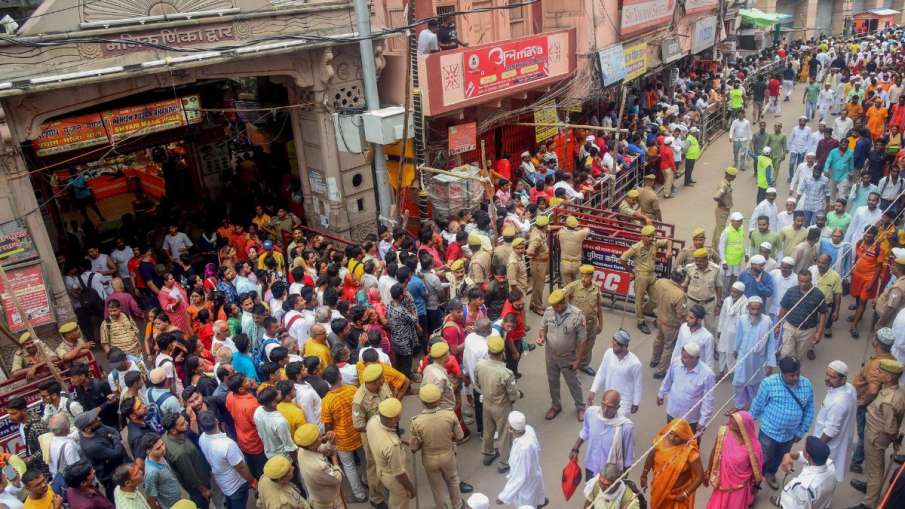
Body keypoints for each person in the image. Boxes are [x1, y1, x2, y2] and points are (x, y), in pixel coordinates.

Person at [749, 357, 815, 490]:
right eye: (792, 375)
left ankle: (770, 474)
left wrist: (801, 431)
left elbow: (810, 409)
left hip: (790, 435)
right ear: (782, 373)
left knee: (779, 457)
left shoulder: (806, 384)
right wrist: (747, 422)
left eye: (798, 373)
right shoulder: (769, 383)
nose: (796, 377)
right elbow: (757, 405)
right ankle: (754, 482)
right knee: (762, 458)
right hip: (769, 432)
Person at [849, 359, 905, 509]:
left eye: (880, 372)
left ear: (889, 377)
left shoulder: (888, 401)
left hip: (876, 437)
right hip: (874, 432)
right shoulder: (894, 390)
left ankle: (868, 503)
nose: (876, 373)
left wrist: (895, 441)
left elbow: (891, 428)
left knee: (876, 470)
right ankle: (871, 487)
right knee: (874, 468)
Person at [409, 384, 467, 509]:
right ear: (439, 399)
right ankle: (458, 505)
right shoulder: (449, 415)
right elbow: (460, 436)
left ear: (422, 401)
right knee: (453, 481)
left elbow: (414, 447)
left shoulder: (416, 421)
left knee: (437, 488)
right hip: (447, 454)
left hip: (429, 458)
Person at [850, 328, 897, 474]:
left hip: (867, 406)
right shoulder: (891, 360)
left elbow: (873, 389)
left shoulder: (875, 365)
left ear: (876, 341)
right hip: (877, 406)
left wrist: (863, 401)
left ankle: (857, 461)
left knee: (863, 434)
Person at [537, 289, 586, 421]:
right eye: (553, 306)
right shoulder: (549, 312)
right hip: (551, 355)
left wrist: (578, 361)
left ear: (564, 301)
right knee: (552, 381)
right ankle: (556, 405)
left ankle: (581, 407)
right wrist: (541, 338)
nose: (554, 308)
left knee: (573, 382)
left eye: (557, 305)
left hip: (568, 357)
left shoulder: (577, 315)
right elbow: (542, 329)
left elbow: (582, 340)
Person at [319, 367, 366, 503]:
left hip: (341, 439)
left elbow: (328, 425)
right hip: (358, 432)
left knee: (349, 466)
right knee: (364, 459)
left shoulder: (327, 401)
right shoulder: (352, 390)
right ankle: (367, 480)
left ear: (327, 381)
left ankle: (359, 495)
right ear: (340, 376)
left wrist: (329, 437)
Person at [474, 336, 517, 472]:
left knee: (488, 430)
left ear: (489, 351)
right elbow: (512, 394)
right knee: (504, 434)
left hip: (486, 402)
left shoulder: (479, 365)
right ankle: (504, 463)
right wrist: (515, 398)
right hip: (502, 406)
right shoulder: (506, 373)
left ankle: (488, 454)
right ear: (502, 352)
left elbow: (477, 382)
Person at [570, 390, 634, 481]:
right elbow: (585, 431)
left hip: (610, 475)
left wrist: (622, 482)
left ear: (618, 407)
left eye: (610, 407)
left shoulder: (626, 427)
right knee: (591, 493)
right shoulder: (591, 413)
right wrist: (575, 448)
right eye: (603, 404)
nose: (605, 409)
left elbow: (628, 458)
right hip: (591, 466)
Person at [704, 411, 763, 509]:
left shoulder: (754, 447)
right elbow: (715, 451)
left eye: (733, 423)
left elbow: (757, 470)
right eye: (730, 420)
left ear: (742, 427)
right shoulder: (723, 432)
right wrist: (708, 471)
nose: (728, 423)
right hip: (722, 483)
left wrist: (755, 486)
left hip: (739, 488)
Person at [640, 419, 704, 509]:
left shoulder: (690, 451)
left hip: (678, 497)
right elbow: (651, 456)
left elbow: (700, 476)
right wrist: (644, 475)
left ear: (684, 436)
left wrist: (686, 493)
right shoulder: (660, 441)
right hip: (659, 492)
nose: (672, 438)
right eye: (670, 433)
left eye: (677, 436)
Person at [620, 224, 670, 335]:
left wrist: (669, 251)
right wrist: (630, 271)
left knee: (656, 298)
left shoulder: (655, 244)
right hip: (641, 276)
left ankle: (643, 310)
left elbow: (668, 241)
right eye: (649, 236)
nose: (652, 238)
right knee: (639, 299)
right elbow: (622, 259)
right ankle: (640, 321)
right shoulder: (636, 247)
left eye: (652, 236)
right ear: (643, 236)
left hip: (652, 276)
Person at [353, 363, 392, 506]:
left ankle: (389, 484)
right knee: (374, 467)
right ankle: (376, 498)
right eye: (381, 379)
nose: (383, 380)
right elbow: (358, 426)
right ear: (373, 382)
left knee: (389, 461)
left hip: (389, 431)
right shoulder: (360, 400)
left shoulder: (382, 386)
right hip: (372, 437)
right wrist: (377, 430)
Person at [367, 398, 415, 509]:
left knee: (394, 502)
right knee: (400, 503)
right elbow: (399, 474)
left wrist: (402, 441)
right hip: (393, 478)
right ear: (394, 419)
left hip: (380, 469)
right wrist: (410, 488)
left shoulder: (373, 421)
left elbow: (380, 440)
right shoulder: (393, 446)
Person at [813, 360, 856, 482]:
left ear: (843, 380)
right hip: (834, 442)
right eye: (827, 374)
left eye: (832, 377)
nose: (827, 379)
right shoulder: (849, 388)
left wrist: (816, 448)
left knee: (818, 478)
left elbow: (831, 430)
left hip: (827, 445)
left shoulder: (839, 402)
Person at [657, 343, 715, 433]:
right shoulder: (676, 363)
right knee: (670, 441)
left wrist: (703, 421)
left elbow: (708, 399)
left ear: (695, 358)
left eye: (685, 358)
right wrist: (661, 393)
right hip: (672, 412)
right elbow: (668, 379)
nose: (682, 359)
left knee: (689, 445)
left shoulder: (707, 374)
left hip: (690, 420)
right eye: (682, 356)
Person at [160, 414, 211, 509]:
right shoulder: (180, 453)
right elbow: (190, 475)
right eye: (182, 424)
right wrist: (204, 490)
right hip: (199, 486)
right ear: (173, 430)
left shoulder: (166, 437)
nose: (187, 423)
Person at [496, 411, 546, 508]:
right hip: (534, 475)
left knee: (527, 504)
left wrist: (504, 496)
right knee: (536, 498)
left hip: (526, 485)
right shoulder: (529, 429)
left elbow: (519, 477)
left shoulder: (523, 449)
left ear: (512, 429)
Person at [587, 330, 641, 416]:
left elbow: (637, 384)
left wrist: (636, 402)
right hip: (608, 400)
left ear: (624, 346)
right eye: (613, 344)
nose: (613, 348)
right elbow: (601, 373)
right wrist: (593, 390)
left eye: (615, 346)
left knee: (618, 427)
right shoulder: (609, 353)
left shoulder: (635, 363)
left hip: (623, 403)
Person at [777, 270, 827, 360]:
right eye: (801, 281)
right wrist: (778, 325)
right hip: (790, 327)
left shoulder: (818, 294)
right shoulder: (790, 292)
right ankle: (784, 372)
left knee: (799, 357)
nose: (803, 284)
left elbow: (823, 313)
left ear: (811, 280)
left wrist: (819, 332)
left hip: (808, 331)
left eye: (806, 282)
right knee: (786, 354)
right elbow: (783, 308)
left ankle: (794, 372)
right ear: (798, 279)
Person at [774, 437, 836, 509]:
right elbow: (806, 458)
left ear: (808, 455)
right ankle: (782, 501)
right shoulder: (830, 466)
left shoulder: (803, 488)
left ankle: (782, 503)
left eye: (804, 447)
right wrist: (789, 455)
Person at [564, 264, 604, 376]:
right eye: (582, 275)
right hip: (576, 325)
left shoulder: (596, 288)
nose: (583, 278)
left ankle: (584, 365)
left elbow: (599, 307)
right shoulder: (573, 286)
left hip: (591, 324)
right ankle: (570, 365)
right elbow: (560, 298)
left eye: (586, 276)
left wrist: (601, 324)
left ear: (591, 277)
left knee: (588, 346)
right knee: (572, 345)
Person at [294, 424, 344, 509]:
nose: (322, 437)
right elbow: (338, 478)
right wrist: (334, 458)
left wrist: (330, 442)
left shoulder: (301, 450)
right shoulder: (318, 467)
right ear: (311, 445)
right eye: (319, 437)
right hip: (329, 504)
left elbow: (319, 449)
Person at [683, 247, 722, 335]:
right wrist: (684, 301)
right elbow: (684, 285)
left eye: (700, 261)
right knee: (689, 325)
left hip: (709, 304)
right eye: (696, 261)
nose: (698, 263)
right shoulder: (689, 268)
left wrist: (718, 304)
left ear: (706, 259)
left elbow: (719, 287)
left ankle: (711, 346)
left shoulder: (716, 269)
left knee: (710, 328)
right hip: (692, 302)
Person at [526, 214, 550, 315]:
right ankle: (537, 307)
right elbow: (529, 252)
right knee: (539, 287)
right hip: (538, 264)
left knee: (537, 285)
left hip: (541, 264)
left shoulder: (540, 230)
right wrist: (538, 257)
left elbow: (549, 228)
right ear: (543, 225)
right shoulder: (536, 237)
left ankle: (532, 304)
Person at [559, 216, 590, 286]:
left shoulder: (561, 232)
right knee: (577, 288)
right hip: (576, 265)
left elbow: (563, 228)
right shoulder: (580, 233)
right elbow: (587, 230)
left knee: (567, 288)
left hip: (565, 264)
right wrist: (578, 229)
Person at [719, 212, 746, 289]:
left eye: (741, 221)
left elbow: (742, 242)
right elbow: (721, 247)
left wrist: (745, 252)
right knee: (726, 281)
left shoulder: (741, 229)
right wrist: (724, 261)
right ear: (732, 221)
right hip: (728, 262)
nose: (740, 223)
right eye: (738, 221)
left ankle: (732, 295)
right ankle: (723, 298)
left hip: (737, 261)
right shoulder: (726, 232)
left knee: (735, 278)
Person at [712, 167, 737, 245]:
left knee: (717, 229)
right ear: (730, 176)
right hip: (722, 211)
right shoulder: (724, 186)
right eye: (734, 175)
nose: (735, 177)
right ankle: (719, 251)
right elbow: (716, 197)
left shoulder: (726, 183)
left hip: (722, 211)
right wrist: (723, 203)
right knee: (721, 232)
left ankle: (714, 246)